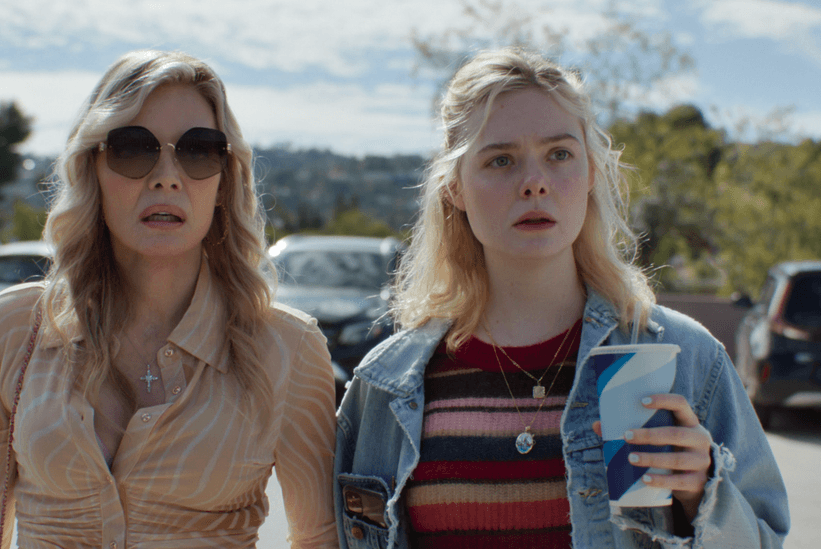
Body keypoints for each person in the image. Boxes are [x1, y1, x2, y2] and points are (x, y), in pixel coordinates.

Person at [333, 47, 789, 548]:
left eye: (559, 154)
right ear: (454, 190)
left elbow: (766, 538)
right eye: (500, 160)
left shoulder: (687, 359)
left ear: (591, 172)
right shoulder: (385, 386)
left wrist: (704, 496)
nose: (534, 184)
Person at [0, 50, 338, 549]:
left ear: (223, 180)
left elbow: (321, 538)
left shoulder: (288, 348)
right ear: (93, 168)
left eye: (198, 151)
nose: (167, 177)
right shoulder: (14, 325)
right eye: (133, 148)